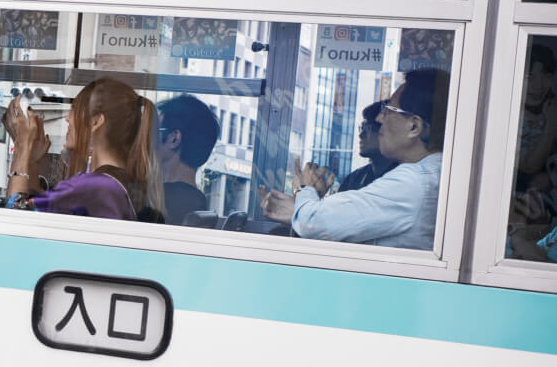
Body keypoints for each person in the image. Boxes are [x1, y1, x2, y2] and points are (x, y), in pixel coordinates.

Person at [260, 69, 450, 250]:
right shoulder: (437, 172)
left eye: (389, 109)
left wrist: (304, 189)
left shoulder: (412, 183)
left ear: (414, 126)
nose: (379, 118)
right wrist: (301, 210)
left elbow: (313, 222)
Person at [2, 77, 162, 221]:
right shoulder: (115, 183)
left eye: (74, 109)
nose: (67, 118)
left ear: (95, 122)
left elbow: (16, 218)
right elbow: (42, 207)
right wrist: (30, 160)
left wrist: (22, 145)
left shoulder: (95, 187)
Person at [152, 94, 220, 225]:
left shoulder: (157, 199)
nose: (149, 138)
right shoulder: (196, 199)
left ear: (174, 139)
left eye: (155, 130)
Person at [514, 43, 557, 191]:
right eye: (529, 76)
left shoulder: (552, 107)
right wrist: (551, 125)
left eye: (546, 76)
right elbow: (529, 165)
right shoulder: (506, 115)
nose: (538, 86)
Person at [337, 101, 398, 192]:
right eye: (362, 128)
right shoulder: (353, 179)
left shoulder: (400, 181)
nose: (361, 135)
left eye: (368, 128)